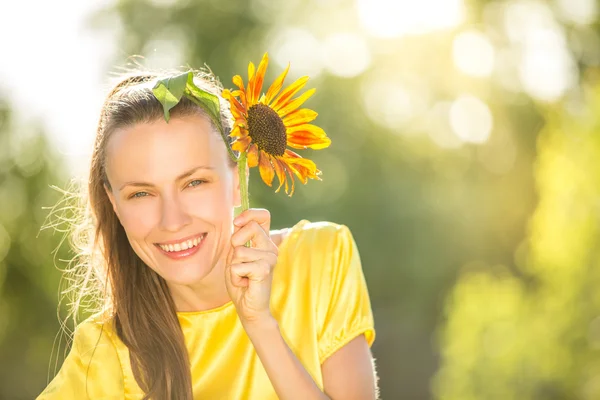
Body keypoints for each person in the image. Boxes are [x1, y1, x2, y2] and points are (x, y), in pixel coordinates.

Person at [37, 69, 378, 399]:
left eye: (194, 182)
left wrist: (260, 324)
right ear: (114, 203)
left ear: (236, 180)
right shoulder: (104, 354)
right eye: (141, 193)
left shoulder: (320, 258)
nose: (172, 221)